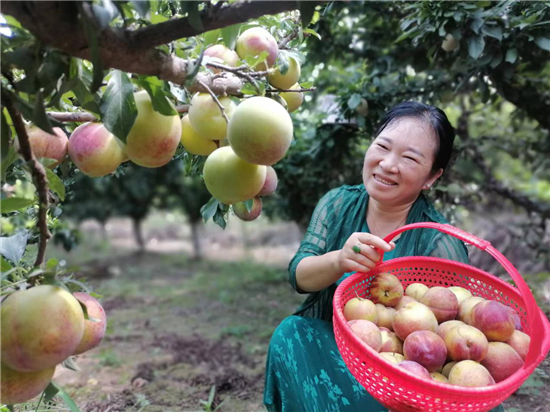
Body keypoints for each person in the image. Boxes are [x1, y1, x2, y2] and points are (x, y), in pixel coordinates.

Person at [263, 101, 504, 412]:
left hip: (405, 372)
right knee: (290, 333)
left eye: (409, 158)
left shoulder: (439, 242)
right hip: (337, 349)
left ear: (432, 176)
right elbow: (299, 276)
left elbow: (453, 336)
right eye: (383, 147)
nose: (388, 164)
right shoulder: (337, 204)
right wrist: (339, 260)